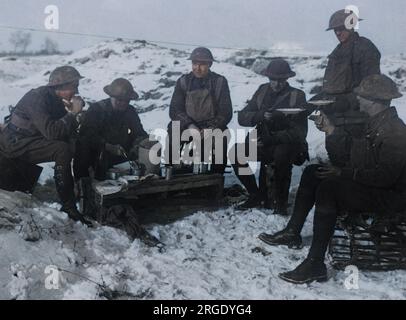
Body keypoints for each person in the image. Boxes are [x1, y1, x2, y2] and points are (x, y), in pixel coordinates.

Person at [275, 74, 406, 284]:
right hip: (375, 185)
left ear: (374, 101)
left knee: (330, 188)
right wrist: (331, 131)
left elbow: (385, 177)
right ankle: (292, 232)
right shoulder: (376, 123)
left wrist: (342, 173)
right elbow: (353, 155)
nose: (359, 100)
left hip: (390, 196)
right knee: (313, 173)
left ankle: (315, 263)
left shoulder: (395, 131)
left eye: (362, 96)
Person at [0, 66, 89, 225]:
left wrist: (74, 117)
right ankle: (69, 206)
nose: (76, 91)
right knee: (61, 149)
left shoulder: (54, 100)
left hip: (28, 141)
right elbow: (52, 133)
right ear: (60, 87)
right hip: (14, 144)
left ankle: (78, 191)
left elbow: (64, 131)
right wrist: (72, 114)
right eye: (73, 86)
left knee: (73, 143)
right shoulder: (38, 98)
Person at [233, 59, 308, 214]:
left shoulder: (297, 96)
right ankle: (255, 195)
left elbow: (300, 133)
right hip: (263, 142)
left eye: (281, 80)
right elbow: (242, 117)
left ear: (287, 78)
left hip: (287, 146)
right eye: (273, 79)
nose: (277, 84)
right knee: (235, 152)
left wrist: (272, 138)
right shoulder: (262, 91)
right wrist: (260, 115)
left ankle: (280, 203)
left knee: (282, 154)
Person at [166, 47, 232, 174]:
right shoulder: (183, 81)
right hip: (188, 125)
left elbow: (226, 112)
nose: (198, 67)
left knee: (222, 136)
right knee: (173, 129)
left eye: (202, 64)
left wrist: (210, 127)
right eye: (195, 63)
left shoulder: (219, 82)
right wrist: (189, 125)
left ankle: (216, 178)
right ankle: (173, 175)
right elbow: (174, 110)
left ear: (210, 64)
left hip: (210, 127)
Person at [73, 78, 149, 181]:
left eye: (126, 101)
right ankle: (83, 185)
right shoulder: (97, 109)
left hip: (122, 155)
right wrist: (107, 146)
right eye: (119, 100)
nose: (122, 103)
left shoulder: (130, 111)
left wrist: (141, 143)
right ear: (111, 97)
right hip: (97, 156)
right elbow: (87, 135)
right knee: (83, 147)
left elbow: (139, 132)